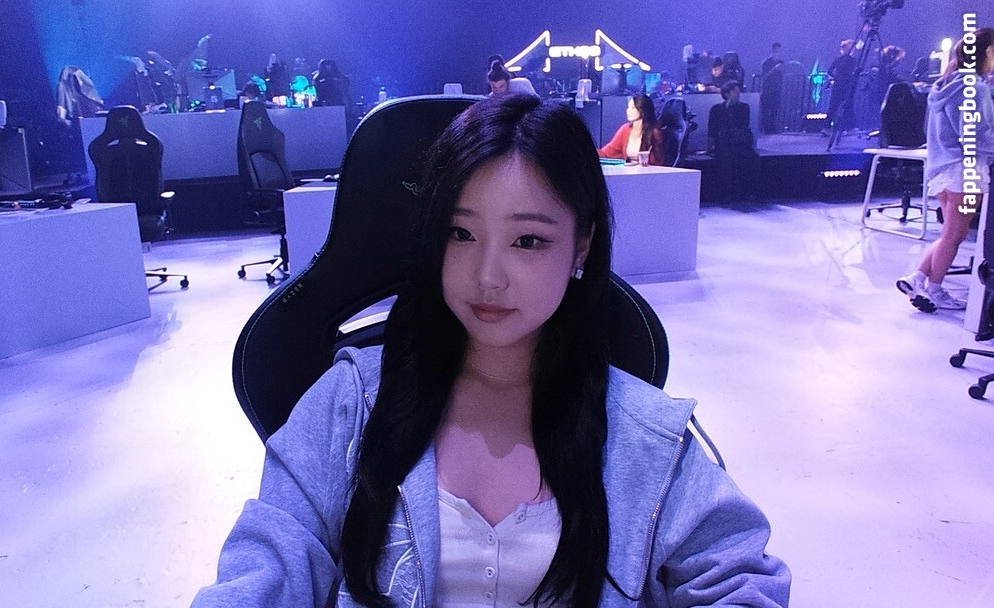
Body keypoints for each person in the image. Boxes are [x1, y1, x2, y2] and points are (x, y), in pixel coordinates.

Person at [191, 94, 790, 606]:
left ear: (581, 246)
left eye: (528, 240)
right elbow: (269, 559)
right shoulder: (351, 406)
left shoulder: (643, 434)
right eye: (461, 233)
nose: (488, 277)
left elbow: (739, 574)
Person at [897, 29, 994, 312]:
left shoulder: (945, 84)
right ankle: (935, 290)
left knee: (949, 233)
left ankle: (917, 277)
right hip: (966, 170)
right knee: (954, 236)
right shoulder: (974, 87)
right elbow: (975, 136)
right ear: (988, 51)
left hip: (943, 168)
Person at [708, 80, 758, 202]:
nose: (738, 93)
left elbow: (743, 124)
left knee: (752, 159)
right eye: (735, 91)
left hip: (741, 142)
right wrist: (709, 146)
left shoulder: (744, 107)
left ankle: (748, 192)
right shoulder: (716, 109)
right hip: (724, 142)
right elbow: (713, 129)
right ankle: (726, 193)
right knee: (726, 159)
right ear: (727, 93)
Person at [598, 94, 664, 165]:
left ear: (642, 110)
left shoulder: (653, 132)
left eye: (633, 108)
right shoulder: (625, 129)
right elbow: (607, 152)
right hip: (628, 170)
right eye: (628, 107)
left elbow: (658, 161)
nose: (628, 111)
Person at [827, 39, 858, 131]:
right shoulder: (852, 61)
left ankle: (827, 126)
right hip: (847, 85)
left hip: (838, 84)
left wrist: (836, 78)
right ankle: (848, 126)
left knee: (833, 105)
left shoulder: (838, 60)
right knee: (847, 105)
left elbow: (829, 71)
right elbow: (854, 72)